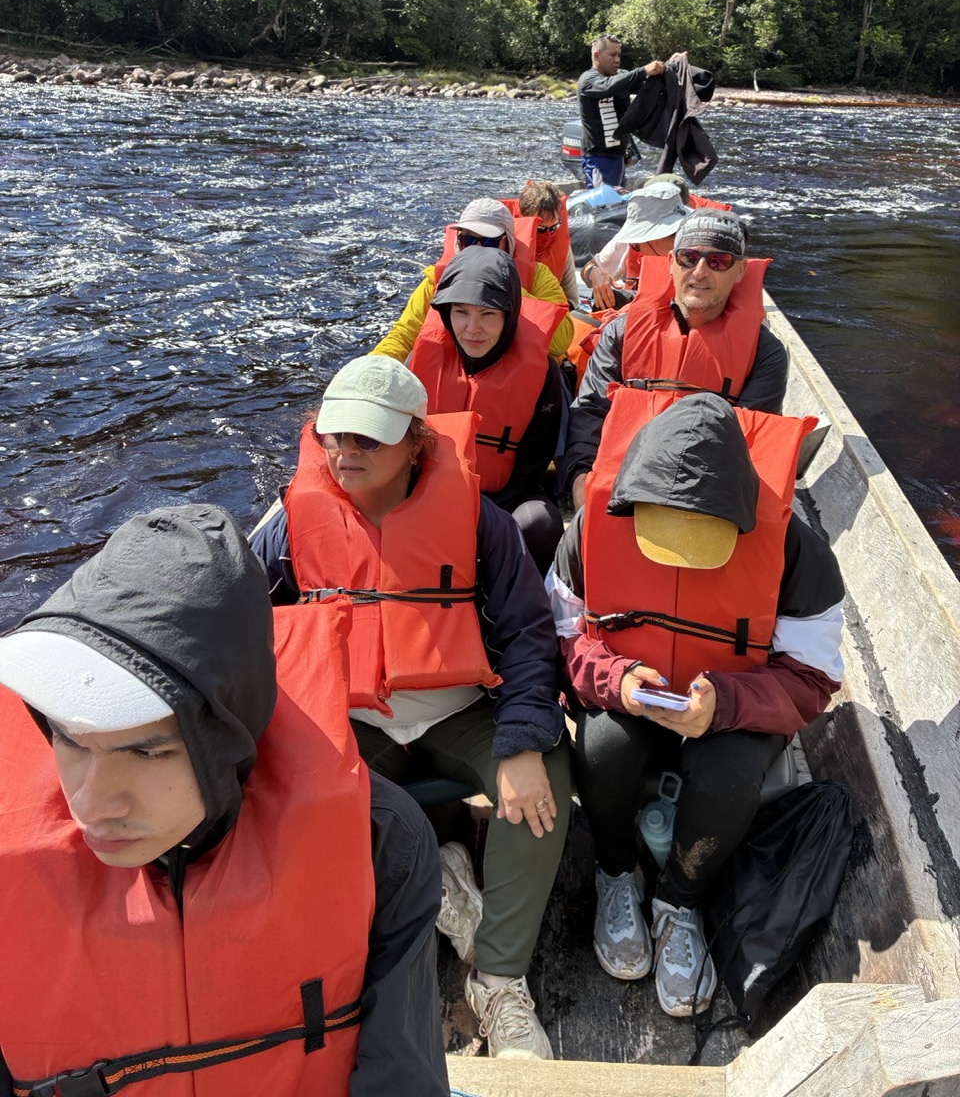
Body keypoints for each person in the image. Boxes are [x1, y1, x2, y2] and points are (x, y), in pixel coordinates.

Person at [0, 504, 449, 1097]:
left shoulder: (381, 839)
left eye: (148, 752)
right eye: (70, 740)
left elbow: (402, 1077)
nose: (91, 801)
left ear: (226, 738)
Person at [250, 355, 572, 1061]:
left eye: (368, 437)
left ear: (416, 443)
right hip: (354, 721)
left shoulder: (483, 524)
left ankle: (498, 977)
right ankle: (410, 907)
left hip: (461, 712)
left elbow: (527, 635)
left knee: (547, 780)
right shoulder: (290, 527)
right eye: (335, 434)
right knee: (286, 804)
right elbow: (240, 625)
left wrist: (521, 743)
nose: (346, 451)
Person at [546, 391, 845, 1017]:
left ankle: (679, 899)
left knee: (728, 770)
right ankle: (615, 871)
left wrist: (725, 703)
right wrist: (619, 680)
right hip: (634, 694)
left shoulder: (797, 551)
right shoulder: (591, 528)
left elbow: (811, 678)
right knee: (601, 746)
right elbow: (565, 636)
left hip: (736, 708)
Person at [561, 207, 789, 509]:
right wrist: (580, 480)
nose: (700, 272)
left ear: (740, 271)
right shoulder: (620, 333)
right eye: (688, 257)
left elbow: (749, 448)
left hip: (707, 500)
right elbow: (590, 412)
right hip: (616, 491)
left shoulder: (766, 354)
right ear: (671, 262)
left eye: (718, 261)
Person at [409, 246, 566, 575]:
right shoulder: (419, 361)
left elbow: (535, 459)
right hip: (428, 491)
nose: (472, 328)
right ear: (446, 312)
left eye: (488, 314)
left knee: (540, 523)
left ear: (509, 315)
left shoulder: (543, 372)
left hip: (507, 495)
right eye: (461, 312)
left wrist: (484, 515)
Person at [373, 197, 573, 363]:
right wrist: (372, 366)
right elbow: (404, 334)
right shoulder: (438, 280)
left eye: (488, 241)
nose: (477, 248)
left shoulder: (538, 276)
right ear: (458, 243)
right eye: (468, 240)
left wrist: (509, 287)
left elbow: (560, 342)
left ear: (508, 243)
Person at [577, 35, 670, 189]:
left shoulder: (622, 77)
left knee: (618, 198)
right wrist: (642, 71)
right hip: (599, 158)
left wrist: (668, 66)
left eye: (619, 55)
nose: (617, 60)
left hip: (618, 156)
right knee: (601, 201)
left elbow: (649, 86)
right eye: (612, 55)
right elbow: (608, 86)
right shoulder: (588, 80)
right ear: (597, 55)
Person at [581, 180, 691, 310]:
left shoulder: (699, 253)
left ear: (654, 237)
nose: (632, 245)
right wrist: (594, 272)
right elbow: (588, 268)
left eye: (635, 244)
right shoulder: (626, 244)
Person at [515, 180, 579, 307]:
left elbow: (572, 299)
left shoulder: (562, 246)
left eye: (554, 227)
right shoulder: (506, 241)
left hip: (551, 310)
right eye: (540, 229)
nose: (548, 234)